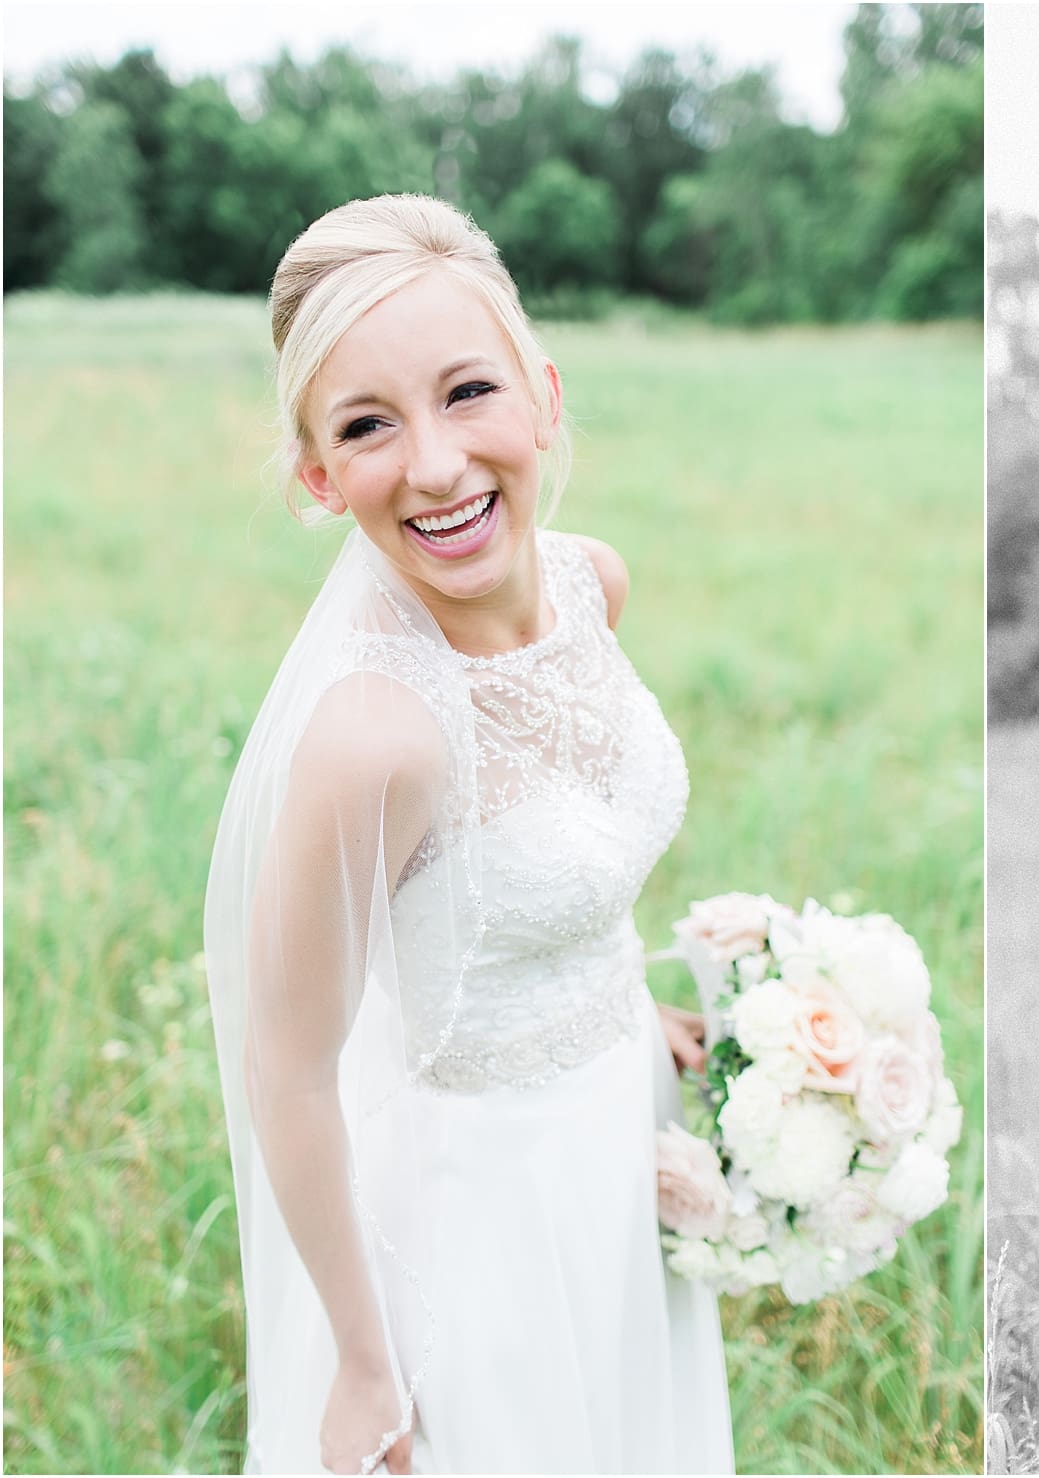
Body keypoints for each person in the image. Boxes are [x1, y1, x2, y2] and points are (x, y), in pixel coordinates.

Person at [205, 194, 733, 1475]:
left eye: (469, 392)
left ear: (543, 397)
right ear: (320, 475)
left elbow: (566, 851)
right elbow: (287, 1070)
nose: (435, 465)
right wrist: (364, 1358)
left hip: (618, 1127)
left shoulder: (589, 583)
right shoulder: (373, 738)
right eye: (369, 425)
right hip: (479, 1212)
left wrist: (628, 1003)